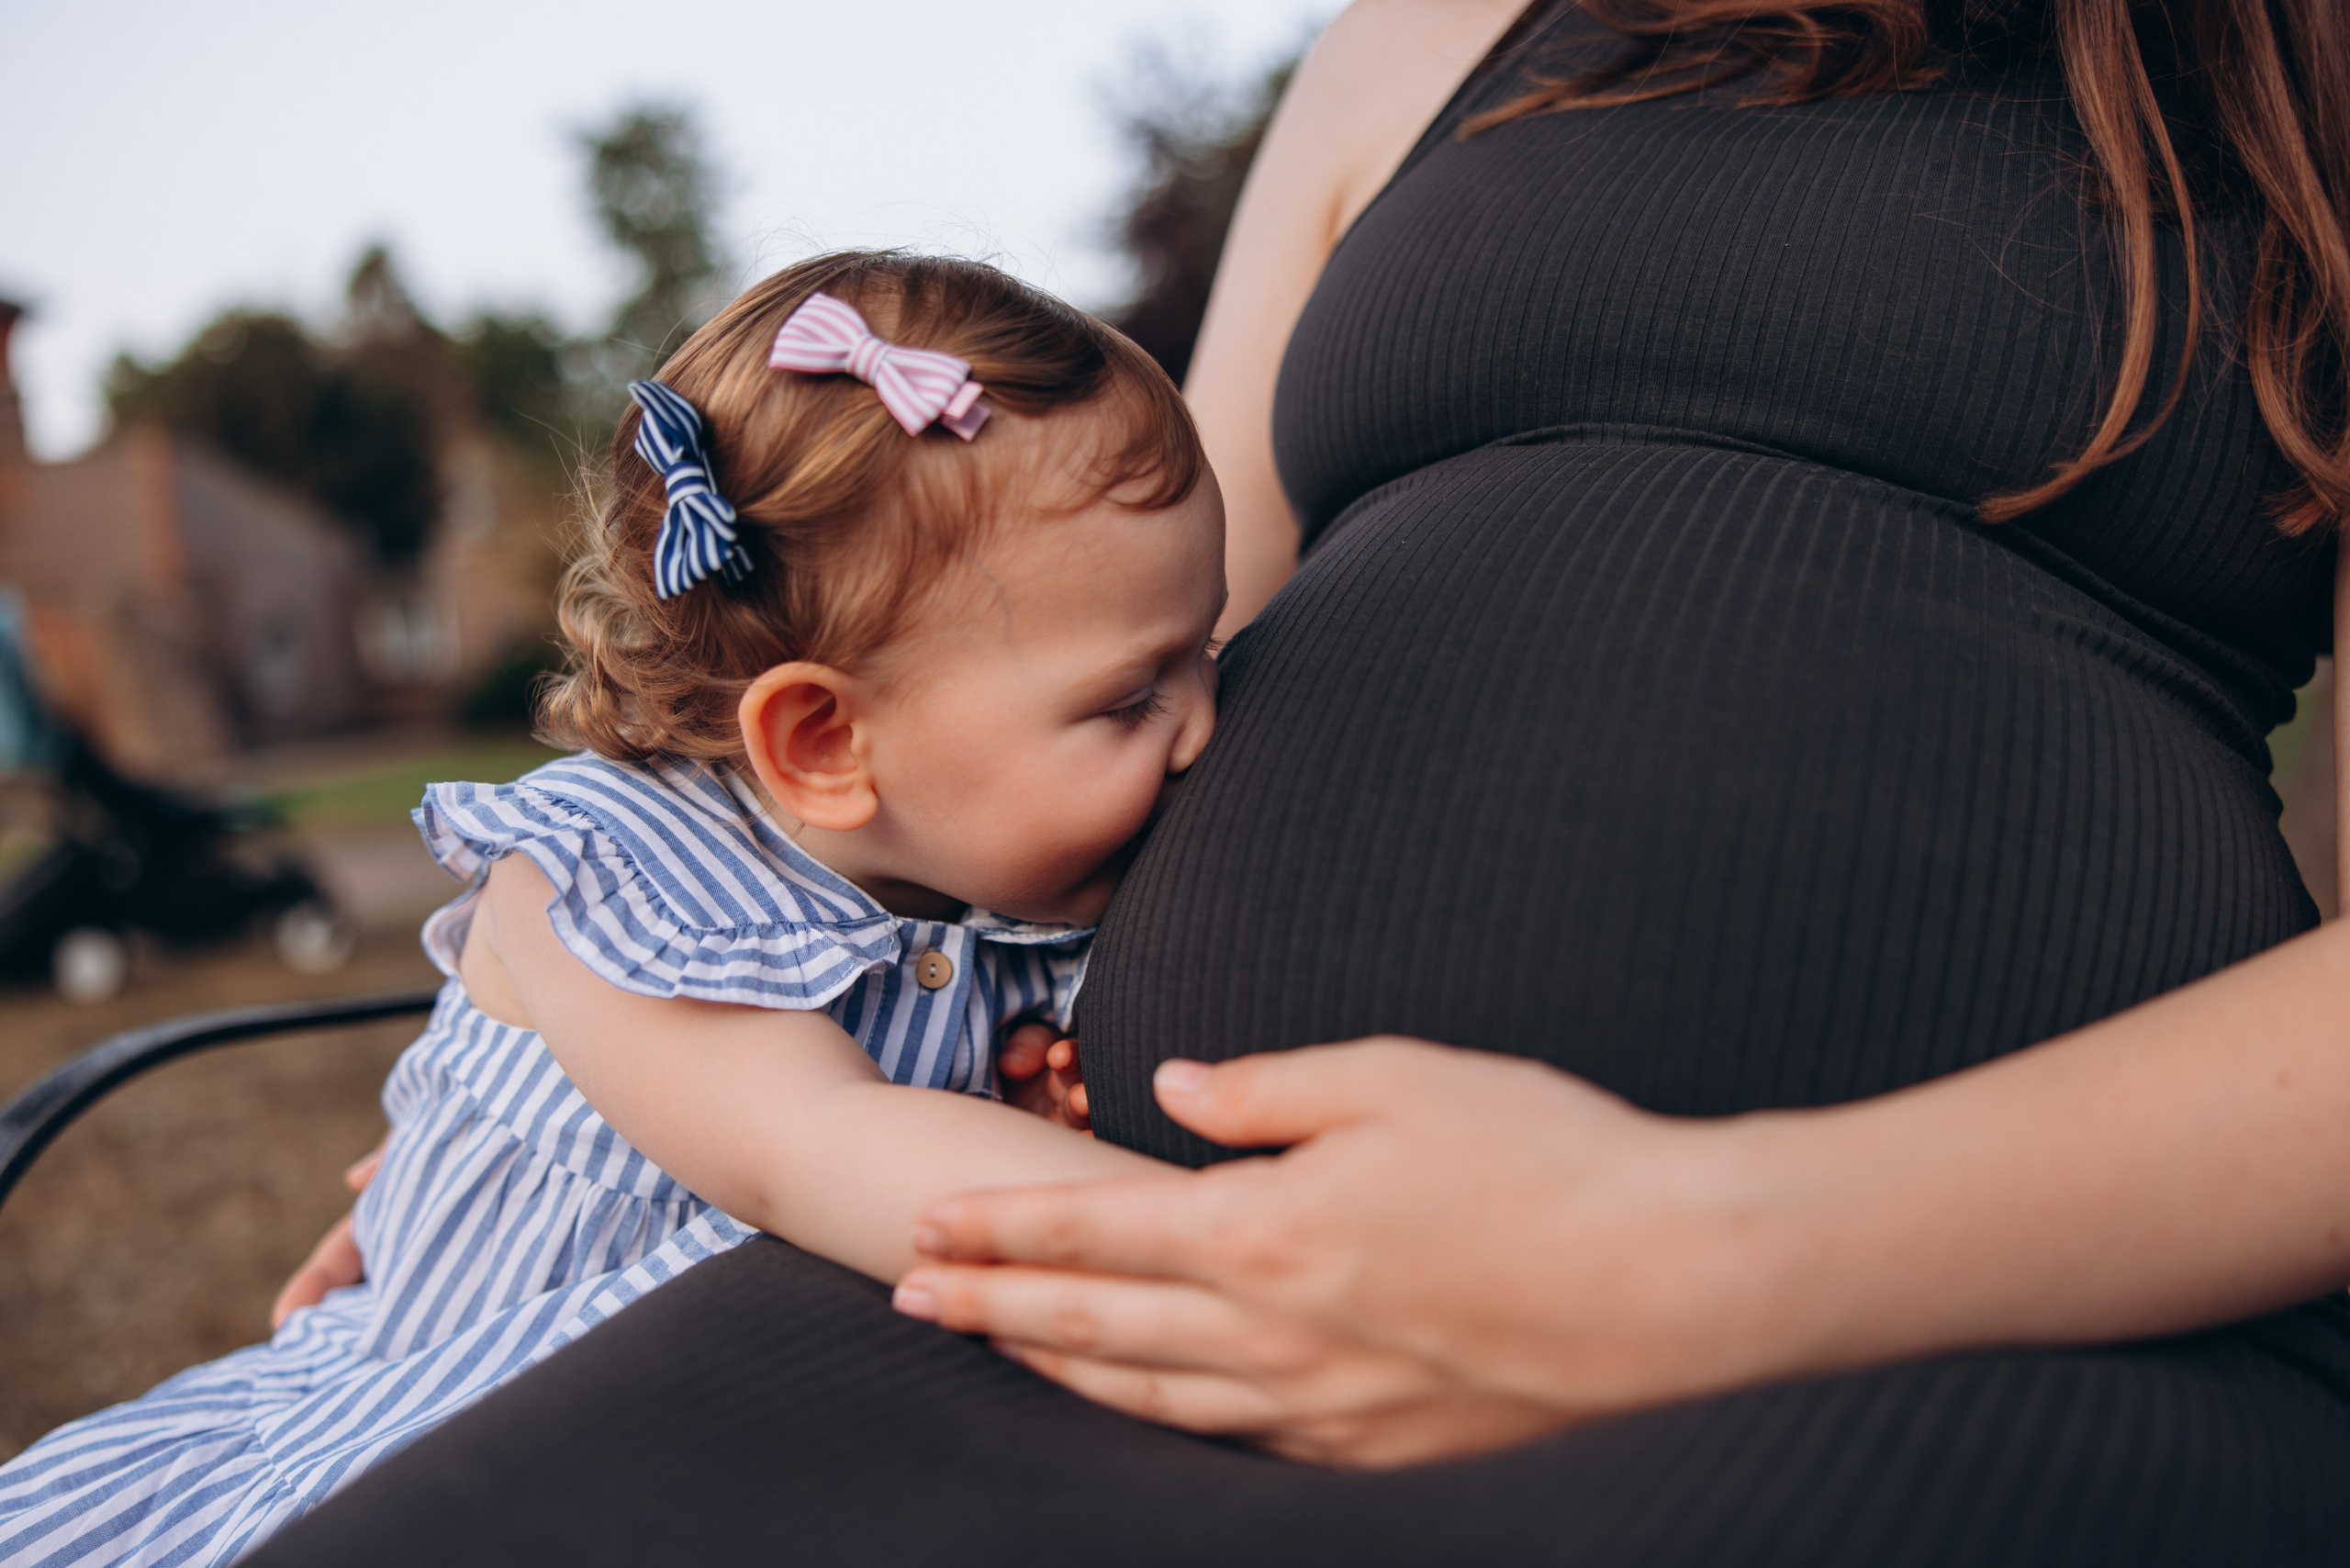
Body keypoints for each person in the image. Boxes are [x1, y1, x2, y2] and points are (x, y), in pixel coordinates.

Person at [259, 0, 2350, 1562]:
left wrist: (1707, 1251)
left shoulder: (2297, 77)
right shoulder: (1428, 36)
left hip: (1956, 1337)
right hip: (1103, 1292)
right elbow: (1062, 641)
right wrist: (580, 1092)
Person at [0, 252, 1225, 1566]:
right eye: (1131, 695)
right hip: (456, 1421)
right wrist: (1246, 1251)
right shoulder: (596, 880)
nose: (1207, 727)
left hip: (761, 1419)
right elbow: (818, 1145)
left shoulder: (994, 870)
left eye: (1207, 647)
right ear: (821, 740)